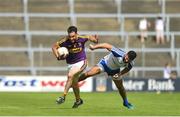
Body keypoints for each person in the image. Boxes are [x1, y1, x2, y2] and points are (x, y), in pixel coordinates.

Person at [78, 43, 137, 109]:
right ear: (126, 54)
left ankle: (125, 102)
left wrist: (119, 74)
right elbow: (106, 45)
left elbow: (127, 69)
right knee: (88, 74)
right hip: (104, 64)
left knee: (120, 87)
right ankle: (74, 82)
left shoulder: (131, 64)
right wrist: (94, 47)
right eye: (127, 58)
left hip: (115, 70)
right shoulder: (118, 53)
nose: (127, 60)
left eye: (129, 60)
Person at [52, 26, 98, 108]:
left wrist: (95, 40)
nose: (72, 38)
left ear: (77, 34)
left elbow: (90, 37)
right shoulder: (64, 41)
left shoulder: (82, 38)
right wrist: (58, 57)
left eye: (73, 36)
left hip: (81, 62)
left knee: (70, 76)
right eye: (70, 36)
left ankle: (63, 96)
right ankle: (78, 100)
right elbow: (54, 47)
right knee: (74, 83)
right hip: (70, 64)